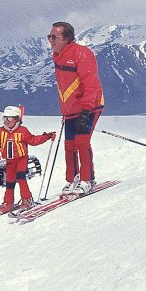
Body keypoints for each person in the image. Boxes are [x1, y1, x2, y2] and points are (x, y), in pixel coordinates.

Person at [48, 21, 105, 196]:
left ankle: (88, 180)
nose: (50, 40)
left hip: (90, 106)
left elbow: (91, 84)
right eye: (49, 36)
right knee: (69, 145)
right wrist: (65, 111)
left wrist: (86, 110)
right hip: (70, 110)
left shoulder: (82, 54)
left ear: (67, 39)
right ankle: (72, 179)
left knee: (82, 142)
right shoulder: (57, 55)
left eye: (54, 37)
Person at [0, 106, 55, 214]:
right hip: (10, 161)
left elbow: (33, 140)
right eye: (5, 118)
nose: (7, 121)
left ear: (17, 119)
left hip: (21, 159)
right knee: (9, 182)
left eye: (10, 119)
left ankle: (27, 199)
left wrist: (46, 137)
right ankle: (8, 202)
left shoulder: (22, 131)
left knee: (20, 177)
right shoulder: (0, 132)